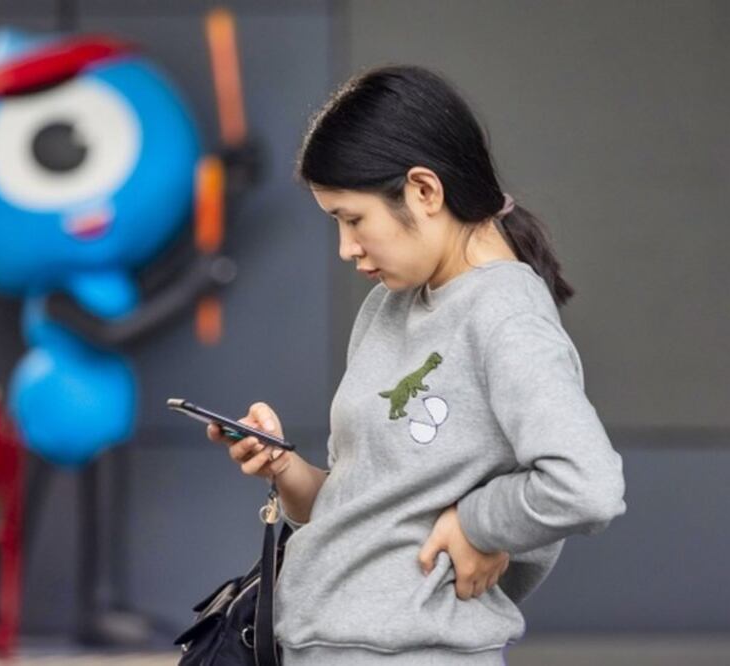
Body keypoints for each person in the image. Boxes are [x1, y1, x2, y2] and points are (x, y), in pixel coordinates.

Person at [205, 65, 627, 665]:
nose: (346, 248)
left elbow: (587, 486)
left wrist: (478, 524)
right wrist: (286, 469)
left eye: (353, 219)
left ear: (425, 191)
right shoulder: (389, 305)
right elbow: (370, 509)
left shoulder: (506, 317)